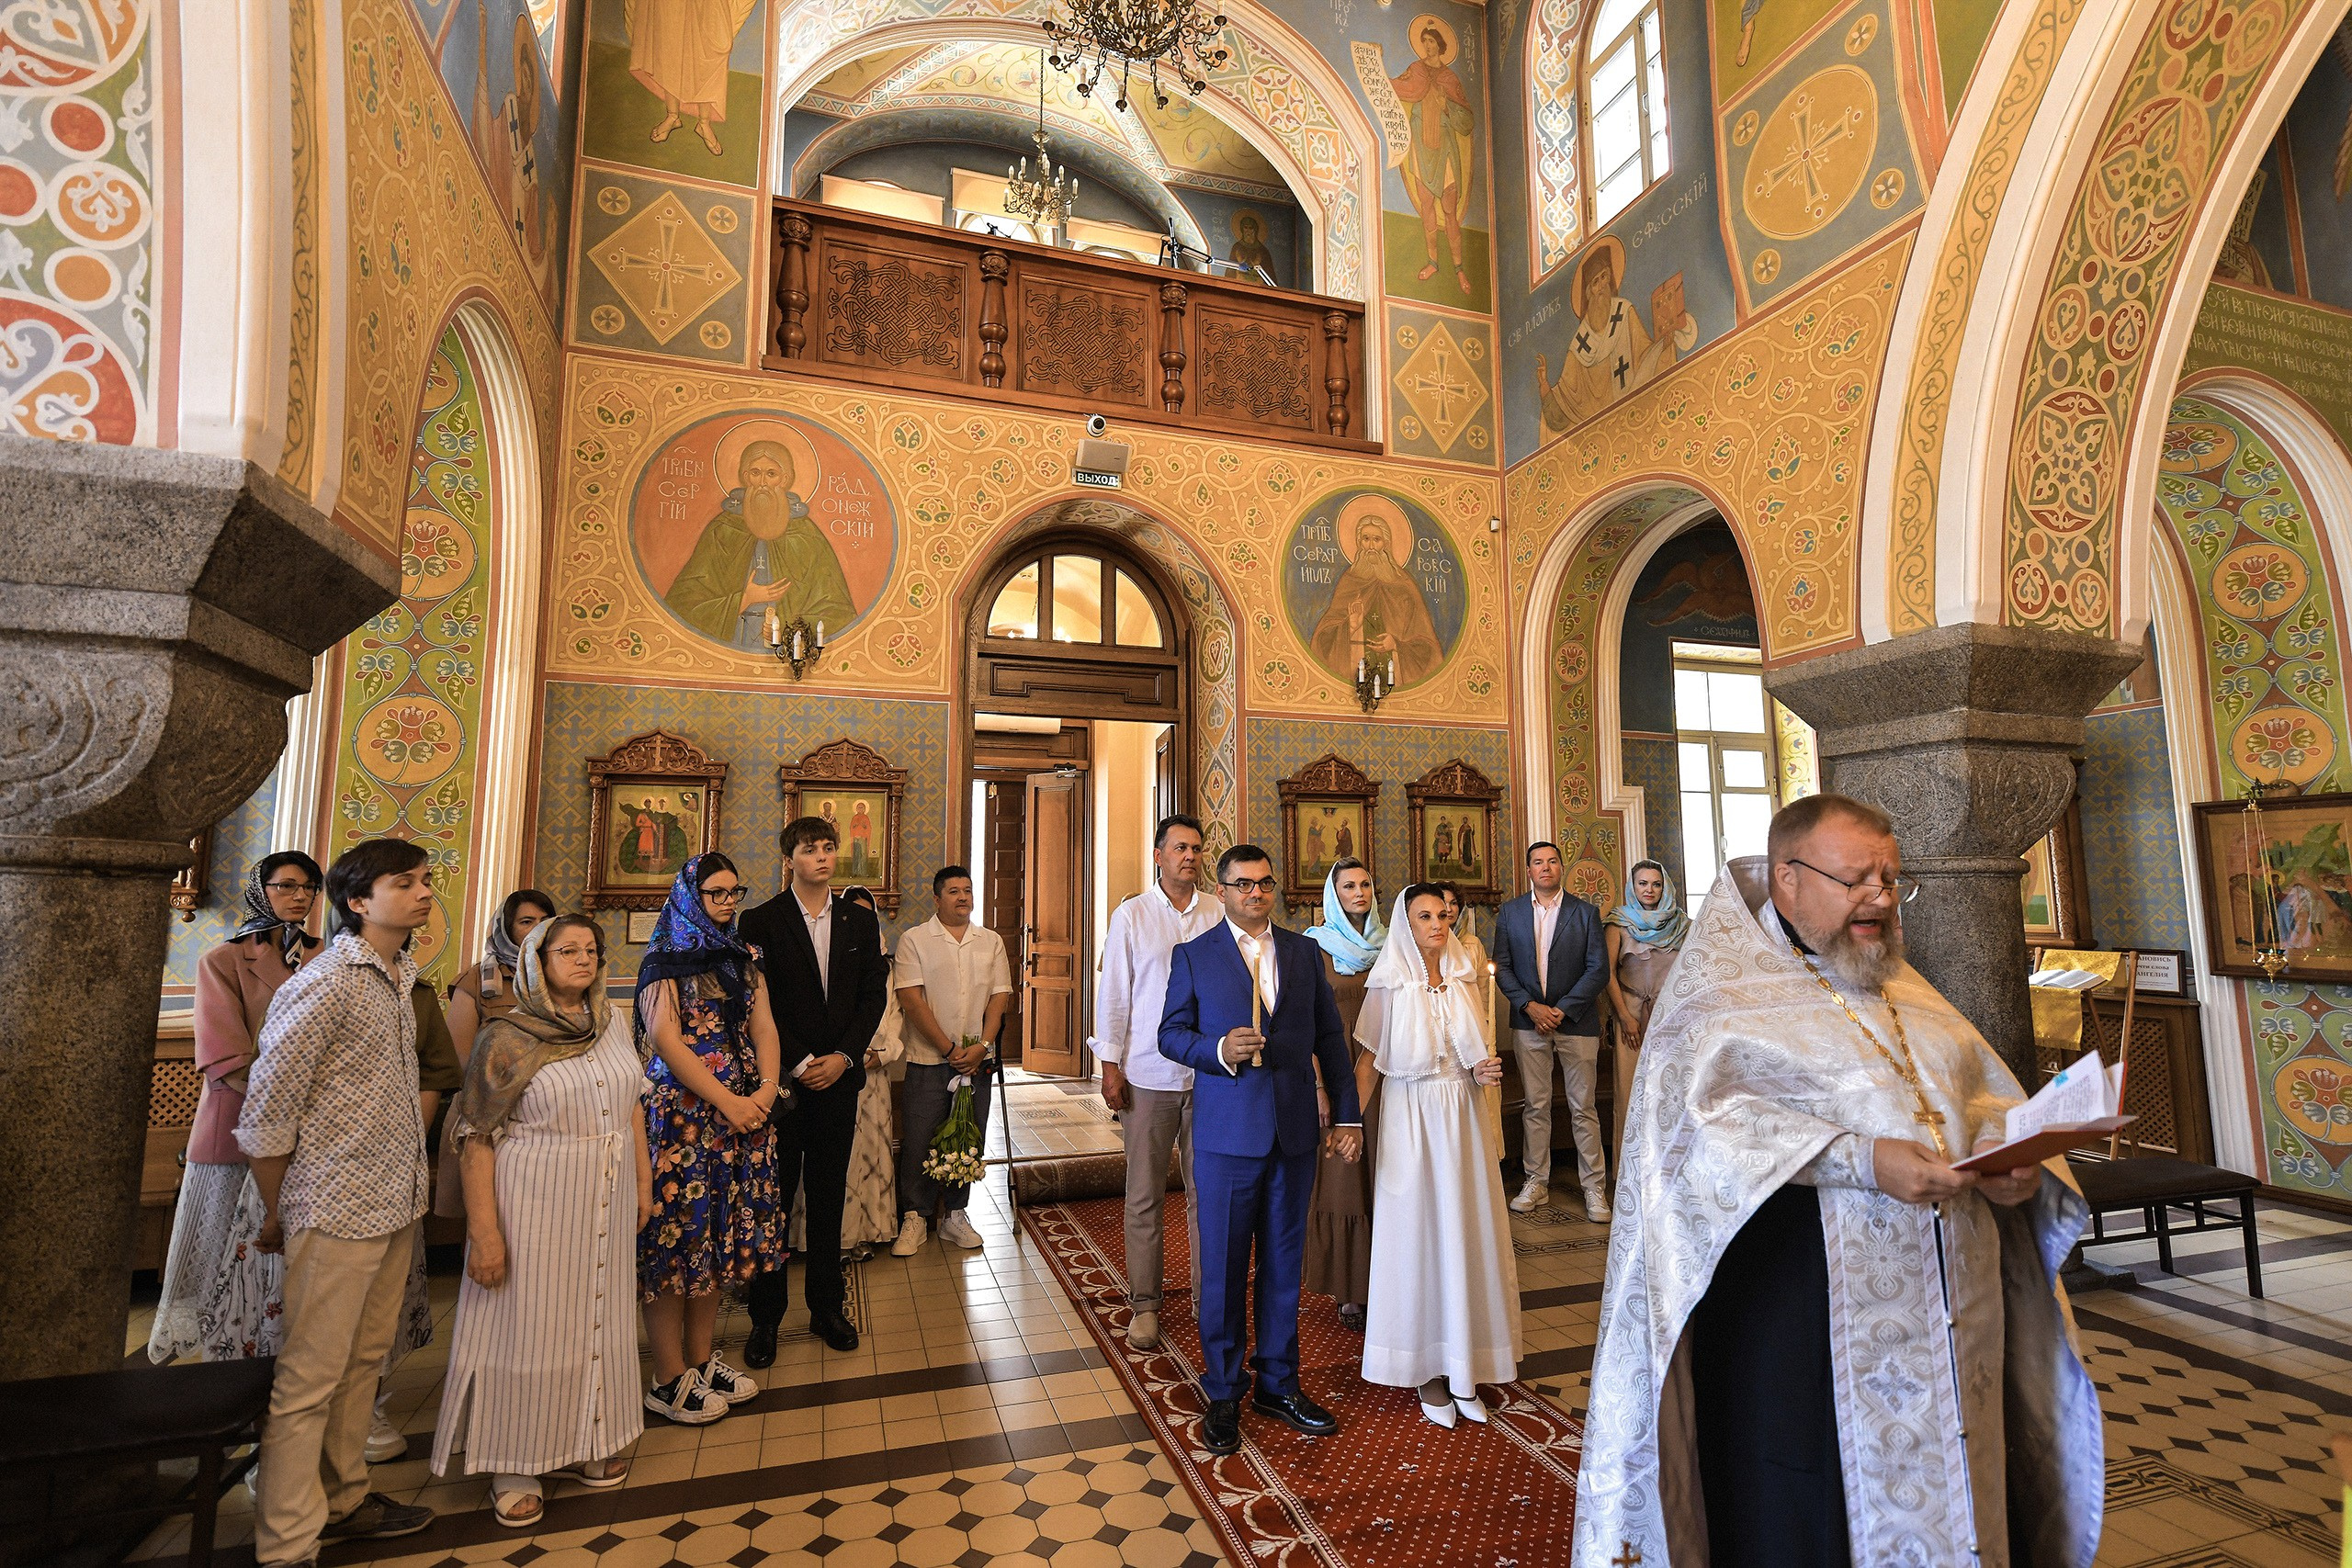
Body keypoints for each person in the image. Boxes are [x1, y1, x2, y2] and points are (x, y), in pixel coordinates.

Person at [1574, 795, 2102, 1568]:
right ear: (1787, 878)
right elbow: (1702, 1132)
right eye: (1857, 878)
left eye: (1891, 879)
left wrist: (2008, 1160)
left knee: (1970, 1490)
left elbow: (1976, 1095)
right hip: (1800, 1319)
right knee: (1809, 1511)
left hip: (1955, 1318)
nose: (1881, 899)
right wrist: (1860, 1157)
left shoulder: (1908, 989)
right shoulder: (1718, 1000)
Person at [236, 839, 441, 1565]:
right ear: (358, 900)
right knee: (308, 1376)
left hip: (391, 1199)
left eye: (424, 881)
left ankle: (344, 1494)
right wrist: (279, 1210)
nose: (422, 893)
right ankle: (287, 1540)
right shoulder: (324, 983)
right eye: (404, 883)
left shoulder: (398, 972)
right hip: (335, 1205)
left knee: (362, 1363)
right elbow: (265, 1115)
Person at [432, 917, 650, 1527]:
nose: (583, 959)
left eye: (591, 950)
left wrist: (642, 1181)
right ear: (536, 960)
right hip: (533, 1197)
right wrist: (486, 1233)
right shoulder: (507, 1035)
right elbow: (474, 1137)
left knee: (595, 1316)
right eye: (568, 950)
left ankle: (587, 1437)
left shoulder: (612, 1022)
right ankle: (515, 1459)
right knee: (527, 1322)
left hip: (603, 1192)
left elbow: (629, 1103)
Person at [1158, 844, 1362, 1457]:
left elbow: (1330, 1036)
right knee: (1221, 1267)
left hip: (1294, 1133)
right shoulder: (1194, 955)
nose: (1255, 893)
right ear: (1221, 891)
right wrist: (1219, 1049)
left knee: (1281, 1264)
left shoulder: (1303, 951)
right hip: (1225, 1137)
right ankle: (1223, 1390)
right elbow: (1170, 1034)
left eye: (1265, 883)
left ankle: (1278, 1382)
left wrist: (1347, 1113)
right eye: (1242, 884)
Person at [149, 852, 323, 1364]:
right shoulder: (223, 960)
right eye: (287, 886)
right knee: (220, 1252)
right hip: (238, 1124)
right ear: (259, 888)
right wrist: (295, 1099)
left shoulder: (330, 958)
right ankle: (216, 1358)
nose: (300, 896)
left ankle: (281, 1352)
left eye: (310, 888)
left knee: (289, 1258)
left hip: (310, 1131)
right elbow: (225, 1055)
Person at [1357, 886, 1519, 1427]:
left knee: (1465, 1231)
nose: (1436, 924)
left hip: (1462, 1119)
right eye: (1423, 916)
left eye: (1442, 915)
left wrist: (1483, 1070)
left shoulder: (1463, 976)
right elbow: (1370, 1061)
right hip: (1411, 1118)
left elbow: (1471, 1050)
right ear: (1405, 923)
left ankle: (1464, 1361)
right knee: (1418, 1233)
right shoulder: (1390, 980)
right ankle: (1425, 1369)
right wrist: (1348, 1124)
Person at [635, 852, 784, 1425]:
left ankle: (700, 1360)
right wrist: (727, 1101)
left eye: (732, 893)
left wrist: (766, 1091)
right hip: (687, 1120)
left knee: (717, 1242)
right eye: (714, 893)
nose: (725, 903)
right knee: (677, 1245)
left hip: (745, 1115)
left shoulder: (744, 956)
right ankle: (667, 1375)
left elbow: (763, 1025)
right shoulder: (665, 959)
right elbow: (665, 1040)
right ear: (689, 895)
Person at [738, 816, 888, 1361]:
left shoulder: (857, 920)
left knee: (828, 1199)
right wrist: (800, 1061)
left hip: (840, 1079)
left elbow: (873, 995)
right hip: (782, 1085)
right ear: (790, 858)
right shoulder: (760, 921)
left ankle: (827, 1308)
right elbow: (760, 1003)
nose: (823, 857)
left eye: (829, 848)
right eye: (810, 849)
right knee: (773, 1201)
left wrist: (844, 1056)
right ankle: (765, 1320)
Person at [1092, 815, 1221, 1352]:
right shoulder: (1132, 915)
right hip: (1148, 1072)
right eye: (1179, 849)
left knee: (1208, 1195)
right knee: (1144, 1195)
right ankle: (1145, 1305)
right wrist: (1110, 1066)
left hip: (1214, 1074)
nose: (1188, 856)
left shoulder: (1218, 911)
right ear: (1159, 856)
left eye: (1195, 848)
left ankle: (1205, 1297)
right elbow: (1116, 993)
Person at [891, 865, 1012, 1255]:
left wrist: (983, 1045)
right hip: (929, 1059)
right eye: (954, 891)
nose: (963, 897)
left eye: (968, 890)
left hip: (976, 1061)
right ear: (937, 898)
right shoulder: (915, 940)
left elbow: (999, 997)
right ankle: (915, 1216)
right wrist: (947, 1048)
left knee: (968, 1135)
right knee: (922, 1139)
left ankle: (955, 1215)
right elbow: (912, 999)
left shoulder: (990, 941)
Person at [1493, 841, 1611, 1220]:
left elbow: (1598, 970)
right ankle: (1536, 1182)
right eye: (1538, 862)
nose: (1545, 868)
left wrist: (1560, 1010)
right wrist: (1530, 1006)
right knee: (1535, 1105)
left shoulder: (1586, 913)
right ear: (1528, 870)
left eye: (1552, 861)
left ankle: (1595, 1189)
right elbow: (1503, 968)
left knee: (1584, 1107)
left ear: (1562, 868)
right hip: (1528, 1022)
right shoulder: (1510, 913)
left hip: (1576, 1022)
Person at [797, 885, 903, 1259]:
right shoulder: (827, 957)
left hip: (872, 1078)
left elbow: (892, 1017)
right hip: (826, 1073)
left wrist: (880, 1053)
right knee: (829, 1165)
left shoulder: (886, 968)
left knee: (867, 1159)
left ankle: (864, 1234)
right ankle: (825, 1241)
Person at [663, 440, 855, 649]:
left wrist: (788, 629)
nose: (762, 482)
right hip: (729, 643)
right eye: (755, 473)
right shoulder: (722, 530)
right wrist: (743, 600)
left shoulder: (807, 536)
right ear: (746, 477)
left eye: (771, 474)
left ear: (785, 479)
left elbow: (837, 610)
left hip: (784, 648)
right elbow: (683, 602)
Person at [1300, 858, 1384, 1332]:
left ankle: (1387, 1280)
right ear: (1333, 894)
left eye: (1366, 884)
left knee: (1385, 1175)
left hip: (1386, 1072)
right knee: (1343, 1179)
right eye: (1348, 885)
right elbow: (1303, 1020)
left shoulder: (1394, 942)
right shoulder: (1314, 946)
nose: (1359, 892)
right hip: (1336, 1073)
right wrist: (1318, 1083)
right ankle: (1350, 1289)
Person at [1600, 860, 1688, 1170]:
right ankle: (1631, 1170)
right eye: (1642, 884)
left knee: (1670, 1092)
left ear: (1664, 887)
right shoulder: (1618, 923)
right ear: (1632, 886)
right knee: (1630, 1093)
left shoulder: (1683, 925)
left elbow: (1691, 974)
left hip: (1670, 1019)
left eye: (1656, 884)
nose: (1649, 890)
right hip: (1631, 1015)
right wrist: (1624, 1016)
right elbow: (1607, 973)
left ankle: (1670, 1167)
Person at [1306, 495, 1444, 687]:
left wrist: (1396, 645)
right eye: (1366, 539)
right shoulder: (1350, 581)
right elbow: (1323, 639)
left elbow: (1426, 645)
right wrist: (1350, 626)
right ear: (1358, 542)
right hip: (1355, 668)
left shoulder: (1403, 585)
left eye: (1377, 540)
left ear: (1386, 543)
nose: (1371, 546)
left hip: (1395, 671)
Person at [447, 889, 558, 1066]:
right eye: (527, 922)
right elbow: (460, 1057)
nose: (538, 928)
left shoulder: (562, 973)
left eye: (545, 921)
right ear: (506, 929)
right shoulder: (476, 980)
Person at [1438, 884, 1504, 1153]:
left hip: (1474, 1028)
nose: (1449, 909)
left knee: (1484, 1097)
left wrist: (1484, 1030)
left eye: (1454, 903)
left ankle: (1487, 1155)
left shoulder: (1472, 944)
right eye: (1443, 903)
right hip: (1443, 1031)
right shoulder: (1426, 941)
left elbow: (1482, 993)